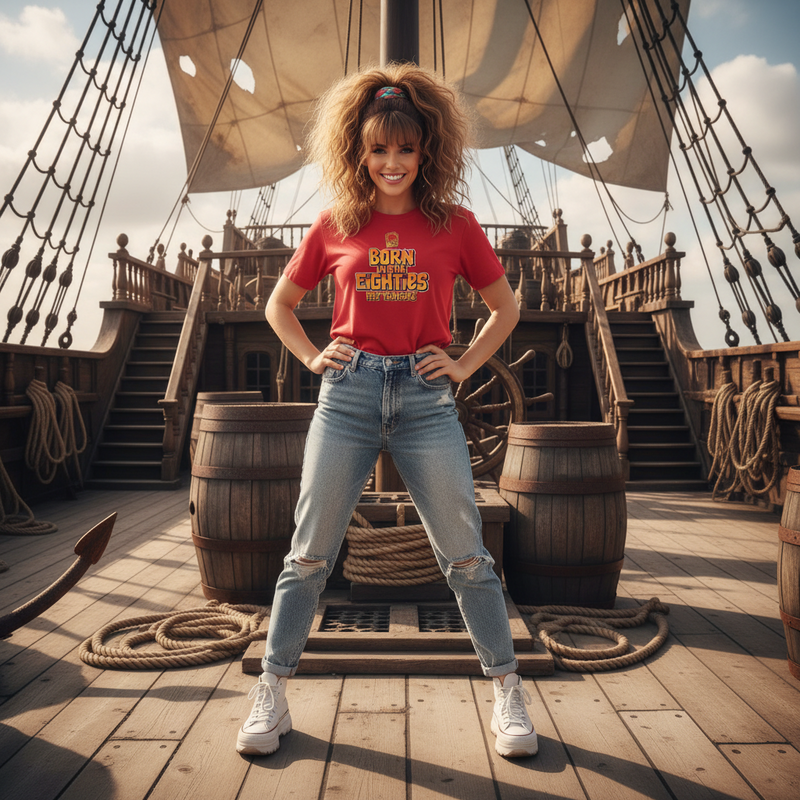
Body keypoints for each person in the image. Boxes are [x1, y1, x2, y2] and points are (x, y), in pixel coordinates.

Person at [236, 63, 537, 760]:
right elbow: (277, 305)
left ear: (427, 150)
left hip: (428, 401)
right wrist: (315, 357)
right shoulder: (336, 224)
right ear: (358, 152)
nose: (392, 163)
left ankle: (507, 690)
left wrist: (461, 365)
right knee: (308, 553)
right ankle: (272, 691)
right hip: (348, 395)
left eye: (405, 149)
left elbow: (506, 309)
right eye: (378, 149)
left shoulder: (455, 225)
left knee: (465, 556)